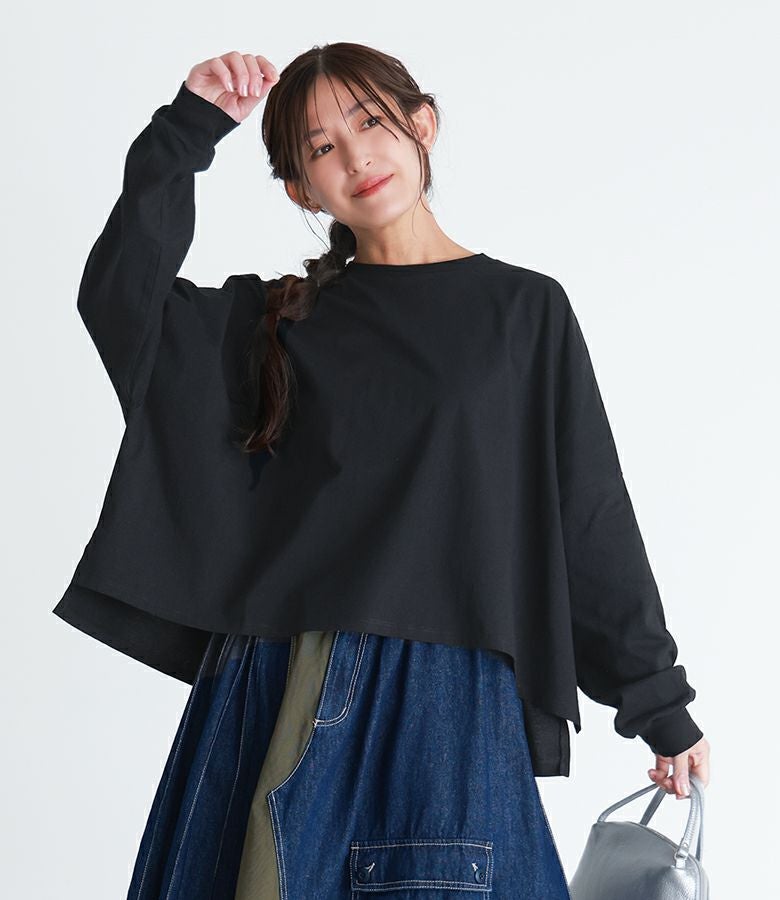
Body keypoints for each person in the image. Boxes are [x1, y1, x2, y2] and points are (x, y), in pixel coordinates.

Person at [53, 43, 710, 898]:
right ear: (301, 188)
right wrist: (188, 129)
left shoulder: (523, 311)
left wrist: (658, 702)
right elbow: (121, 300)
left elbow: (586, 512)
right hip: (285, 680)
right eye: (322, 147)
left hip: (446, 698)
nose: (357, 156)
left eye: (370, 122)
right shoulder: (280, 322)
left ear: (422, 125)